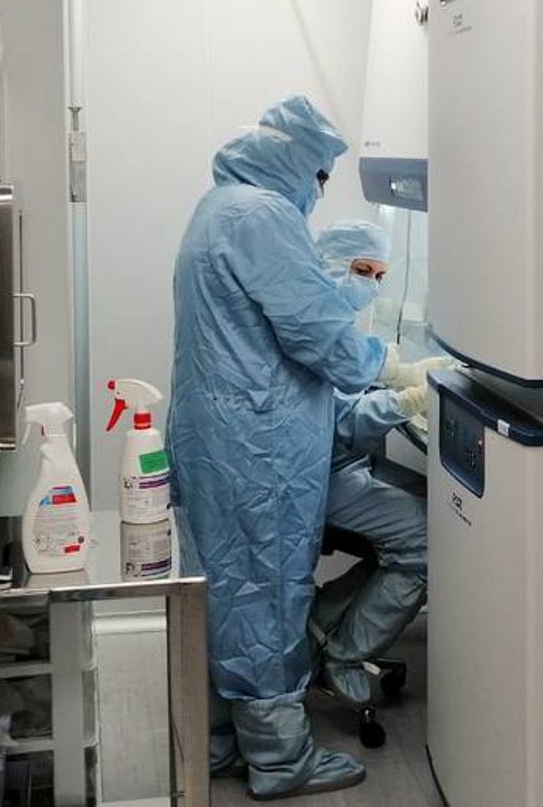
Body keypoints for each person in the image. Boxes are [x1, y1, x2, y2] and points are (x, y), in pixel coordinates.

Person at [167, 96, 416, 800]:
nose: (318, 190)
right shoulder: (263, 217)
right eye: (319, 173)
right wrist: (386, 367)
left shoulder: (220, 206)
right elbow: (318, 335)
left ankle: (219, 740)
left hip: (223, 434)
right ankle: (280, 759)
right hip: (260, 445)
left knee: (226, 590)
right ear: (293, 161)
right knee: (267, 591)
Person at [308, 221, 446, 706]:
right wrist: (407, 400)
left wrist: (393, 374)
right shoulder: (310, 321)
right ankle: (344, 653)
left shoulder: (324, 315)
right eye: (361, 270)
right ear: (327, 264)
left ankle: (322, 622)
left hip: (341, 465)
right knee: (432, 542)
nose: (369, 284)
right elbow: (342, 424)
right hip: (319, 476)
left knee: (440, 511)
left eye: (378, 275)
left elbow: (349, 380)